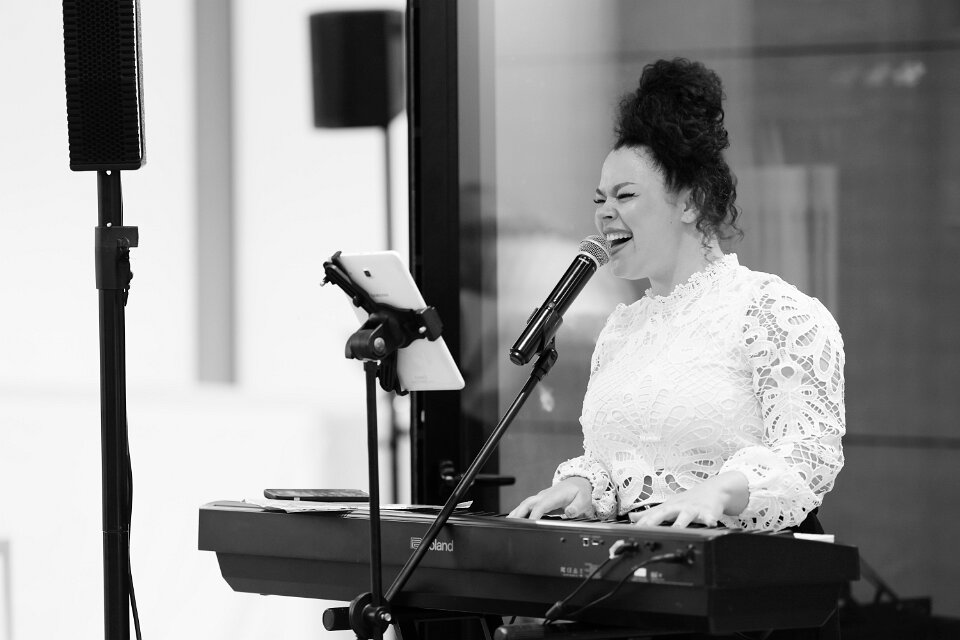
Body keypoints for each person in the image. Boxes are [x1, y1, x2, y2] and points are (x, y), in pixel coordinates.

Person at [508, 58, 845, 537]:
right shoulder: (622, 329)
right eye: (600, 199)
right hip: (634, 564)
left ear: (689, 202)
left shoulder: (773, 311)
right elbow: (622, 464)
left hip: (739, 566)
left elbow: (808, 457)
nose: (605, 213)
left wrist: (717, 491)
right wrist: (585, 484)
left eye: (625, 196)